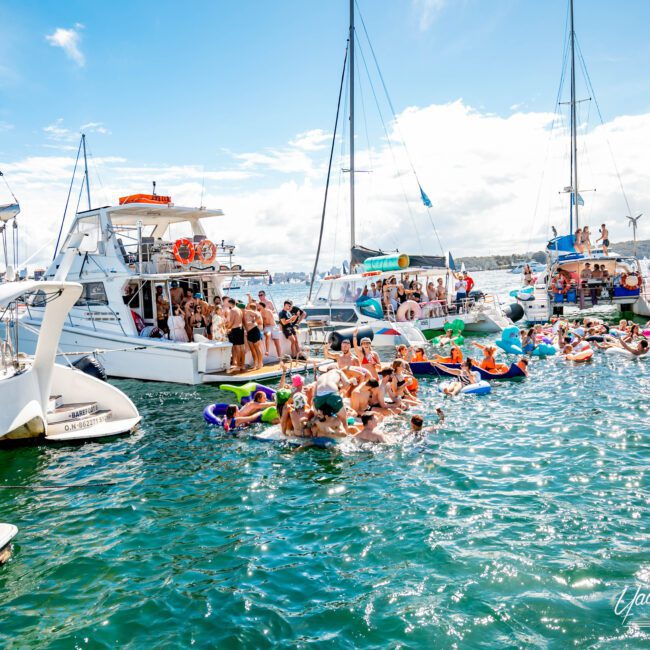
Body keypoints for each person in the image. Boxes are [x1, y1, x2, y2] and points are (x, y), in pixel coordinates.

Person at [313, 366, 351, 434]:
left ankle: (318, 433)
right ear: (336, 368)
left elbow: (314, 395)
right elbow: (347, 384)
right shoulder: (338, 371)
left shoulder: (321, 377)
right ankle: (346, 436)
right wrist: (341, 391)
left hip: (319, 397)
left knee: (318, 418)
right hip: (332, 395)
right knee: (344, 419)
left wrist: (315, 408)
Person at [226, 298, 246, 371]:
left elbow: (231, 322)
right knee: (242, 347)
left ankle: (238, 365)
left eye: (228, 303)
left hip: (236, 329)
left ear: (230, 303)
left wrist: (226, 328)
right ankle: (242, 365)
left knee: (237, 348)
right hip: (241, 329)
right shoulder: (239, 309)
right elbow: (241, 320)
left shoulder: (232, 310)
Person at [244, 301, 264, 370]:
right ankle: (255, 364)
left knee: (257, 348)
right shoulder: (244, 313)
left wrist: (253, 322)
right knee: (252, 349)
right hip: (249, 332)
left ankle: (260, 363)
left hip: (254, 330)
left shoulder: (249, 312)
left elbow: (258, 316)